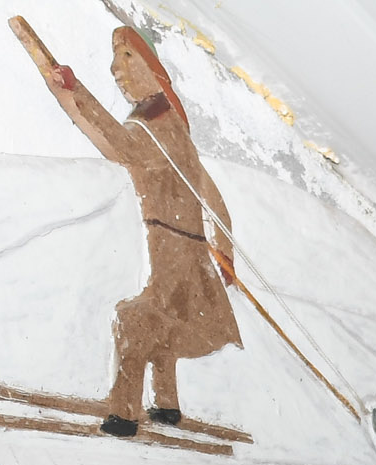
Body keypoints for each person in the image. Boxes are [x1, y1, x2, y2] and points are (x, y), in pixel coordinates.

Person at [20, 24, 241, 435]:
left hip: (177, 244)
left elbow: (124, 147)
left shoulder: (159, 125)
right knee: (164, 322)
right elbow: (206, 192)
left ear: (156, 73)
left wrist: (73, 92)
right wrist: (223, 248)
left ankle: (124, 413)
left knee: (137, 321)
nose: (117, 70)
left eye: (127, 59)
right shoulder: (163, 123)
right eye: (115, 61)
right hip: (173, 242)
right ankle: (167, 404)